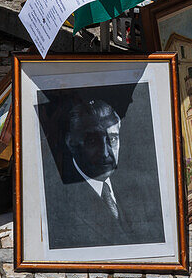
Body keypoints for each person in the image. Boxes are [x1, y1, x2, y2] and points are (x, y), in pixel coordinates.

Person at [42, 96, 164, 250]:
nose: (106, 153)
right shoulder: (56, 201)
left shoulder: (143, 185)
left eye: (112, 139)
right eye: (93, 141)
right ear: (71, 143)